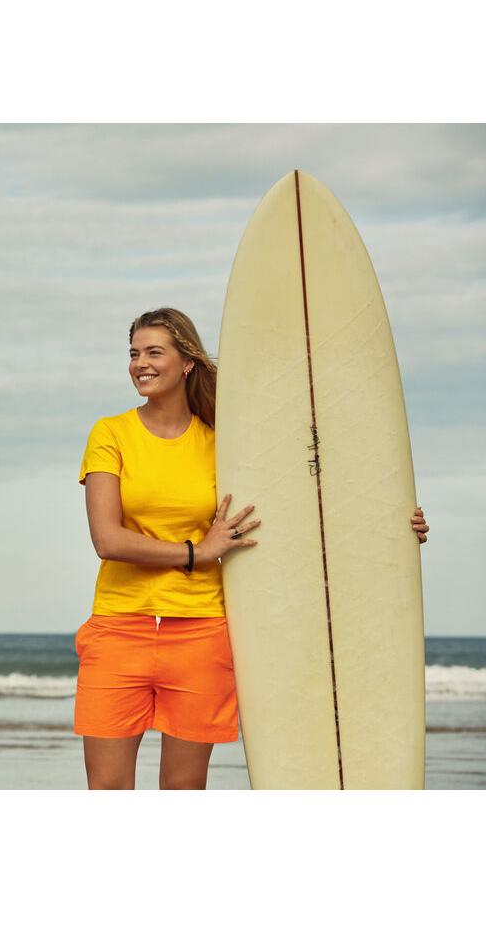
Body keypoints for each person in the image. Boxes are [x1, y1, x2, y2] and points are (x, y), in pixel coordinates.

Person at [74, 307, 430, 791]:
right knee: (107, 791)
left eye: (154, 352)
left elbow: (299, 510)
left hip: (201, 632)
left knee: (183, 790)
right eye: (134, 354)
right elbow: (107, 539)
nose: (140, 364)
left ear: (187, 362)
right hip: (119, 629)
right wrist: (197, 553)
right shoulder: (111, 433)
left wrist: (389, 526)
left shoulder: (225, 446)